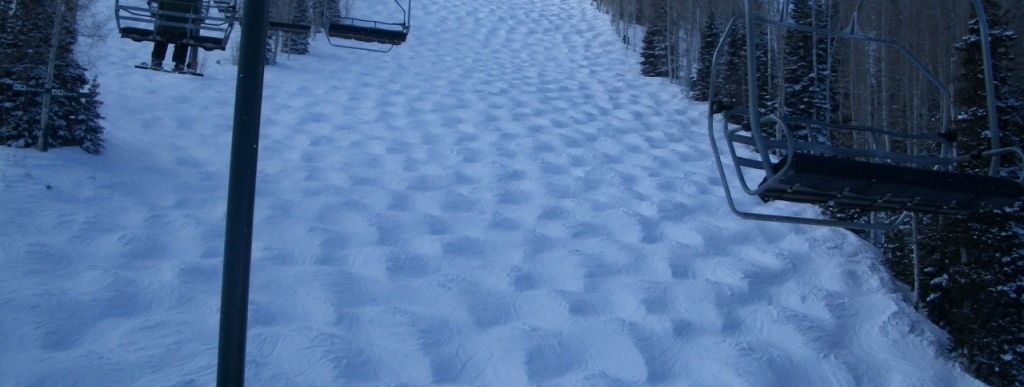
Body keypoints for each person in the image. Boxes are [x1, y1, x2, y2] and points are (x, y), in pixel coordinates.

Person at [149, 0, 202, 71]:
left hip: (166, 27)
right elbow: (196, 14)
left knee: (163, 31)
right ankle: (180, 62)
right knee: (185, 35)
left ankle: (156, 59)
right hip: (184, 29)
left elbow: (160, 9)